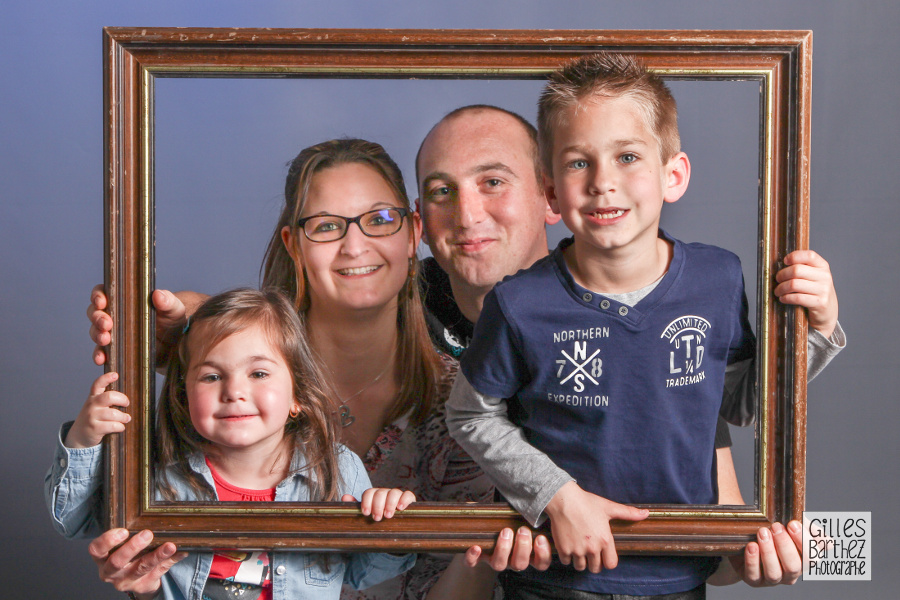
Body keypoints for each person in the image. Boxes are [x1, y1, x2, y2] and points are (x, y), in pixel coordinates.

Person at [445, 53, 843, 598]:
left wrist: (817, 330)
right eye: (578, 163)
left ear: (672, 175)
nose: (603, 182)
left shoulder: (717, 277)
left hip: (678, 570)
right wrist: (556, 495)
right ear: (552, 193)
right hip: (555, 576)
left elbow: (742, 405)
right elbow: (469, 412)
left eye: (627, 156)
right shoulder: (519, 302)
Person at [85, 139, 510, 599]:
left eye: (379, 220)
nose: (354, 246)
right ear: (293, 243)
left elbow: (461, 575)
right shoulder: (232, 383)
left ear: (412, 233)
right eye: (326, 226)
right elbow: (153, 537)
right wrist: (142, 578)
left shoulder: (463, 403)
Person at [47, 288, 417, 600]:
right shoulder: (157, 472)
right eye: (211, 376)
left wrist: (389, 527)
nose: (234, 392)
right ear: (183, 394)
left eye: (258, 373)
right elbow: (74, 521)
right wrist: (84, 438)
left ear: (297, 395)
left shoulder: (336, 468)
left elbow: (361, 574)